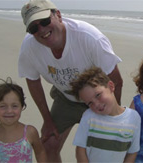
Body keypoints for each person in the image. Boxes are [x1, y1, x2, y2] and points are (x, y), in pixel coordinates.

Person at [19, 0, 123, 161]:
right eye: (34, 28)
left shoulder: (89, 37)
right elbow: (33, 81)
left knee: (99, 150)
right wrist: (47, 120)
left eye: (45, 21)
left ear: (58, 15)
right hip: (64, 98)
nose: (42, 30)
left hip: (97, 99)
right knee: (48, 145)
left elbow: (116, 80)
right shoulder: (29, 47)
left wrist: (113, 117)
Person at [69, 67, 141, 162]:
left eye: (98, 95)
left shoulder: (134, 117)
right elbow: (80, 150)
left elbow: (132, 152)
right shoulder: (89, 116)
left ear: (111, 86)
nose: (97, 104)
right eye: (90, 103)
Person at [0, 78, 47, 162]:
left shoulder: (30, 132)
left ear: (22, 107)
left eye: (14, 106)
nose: (9, 111)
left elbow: (40, 152)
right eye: (3, 106)